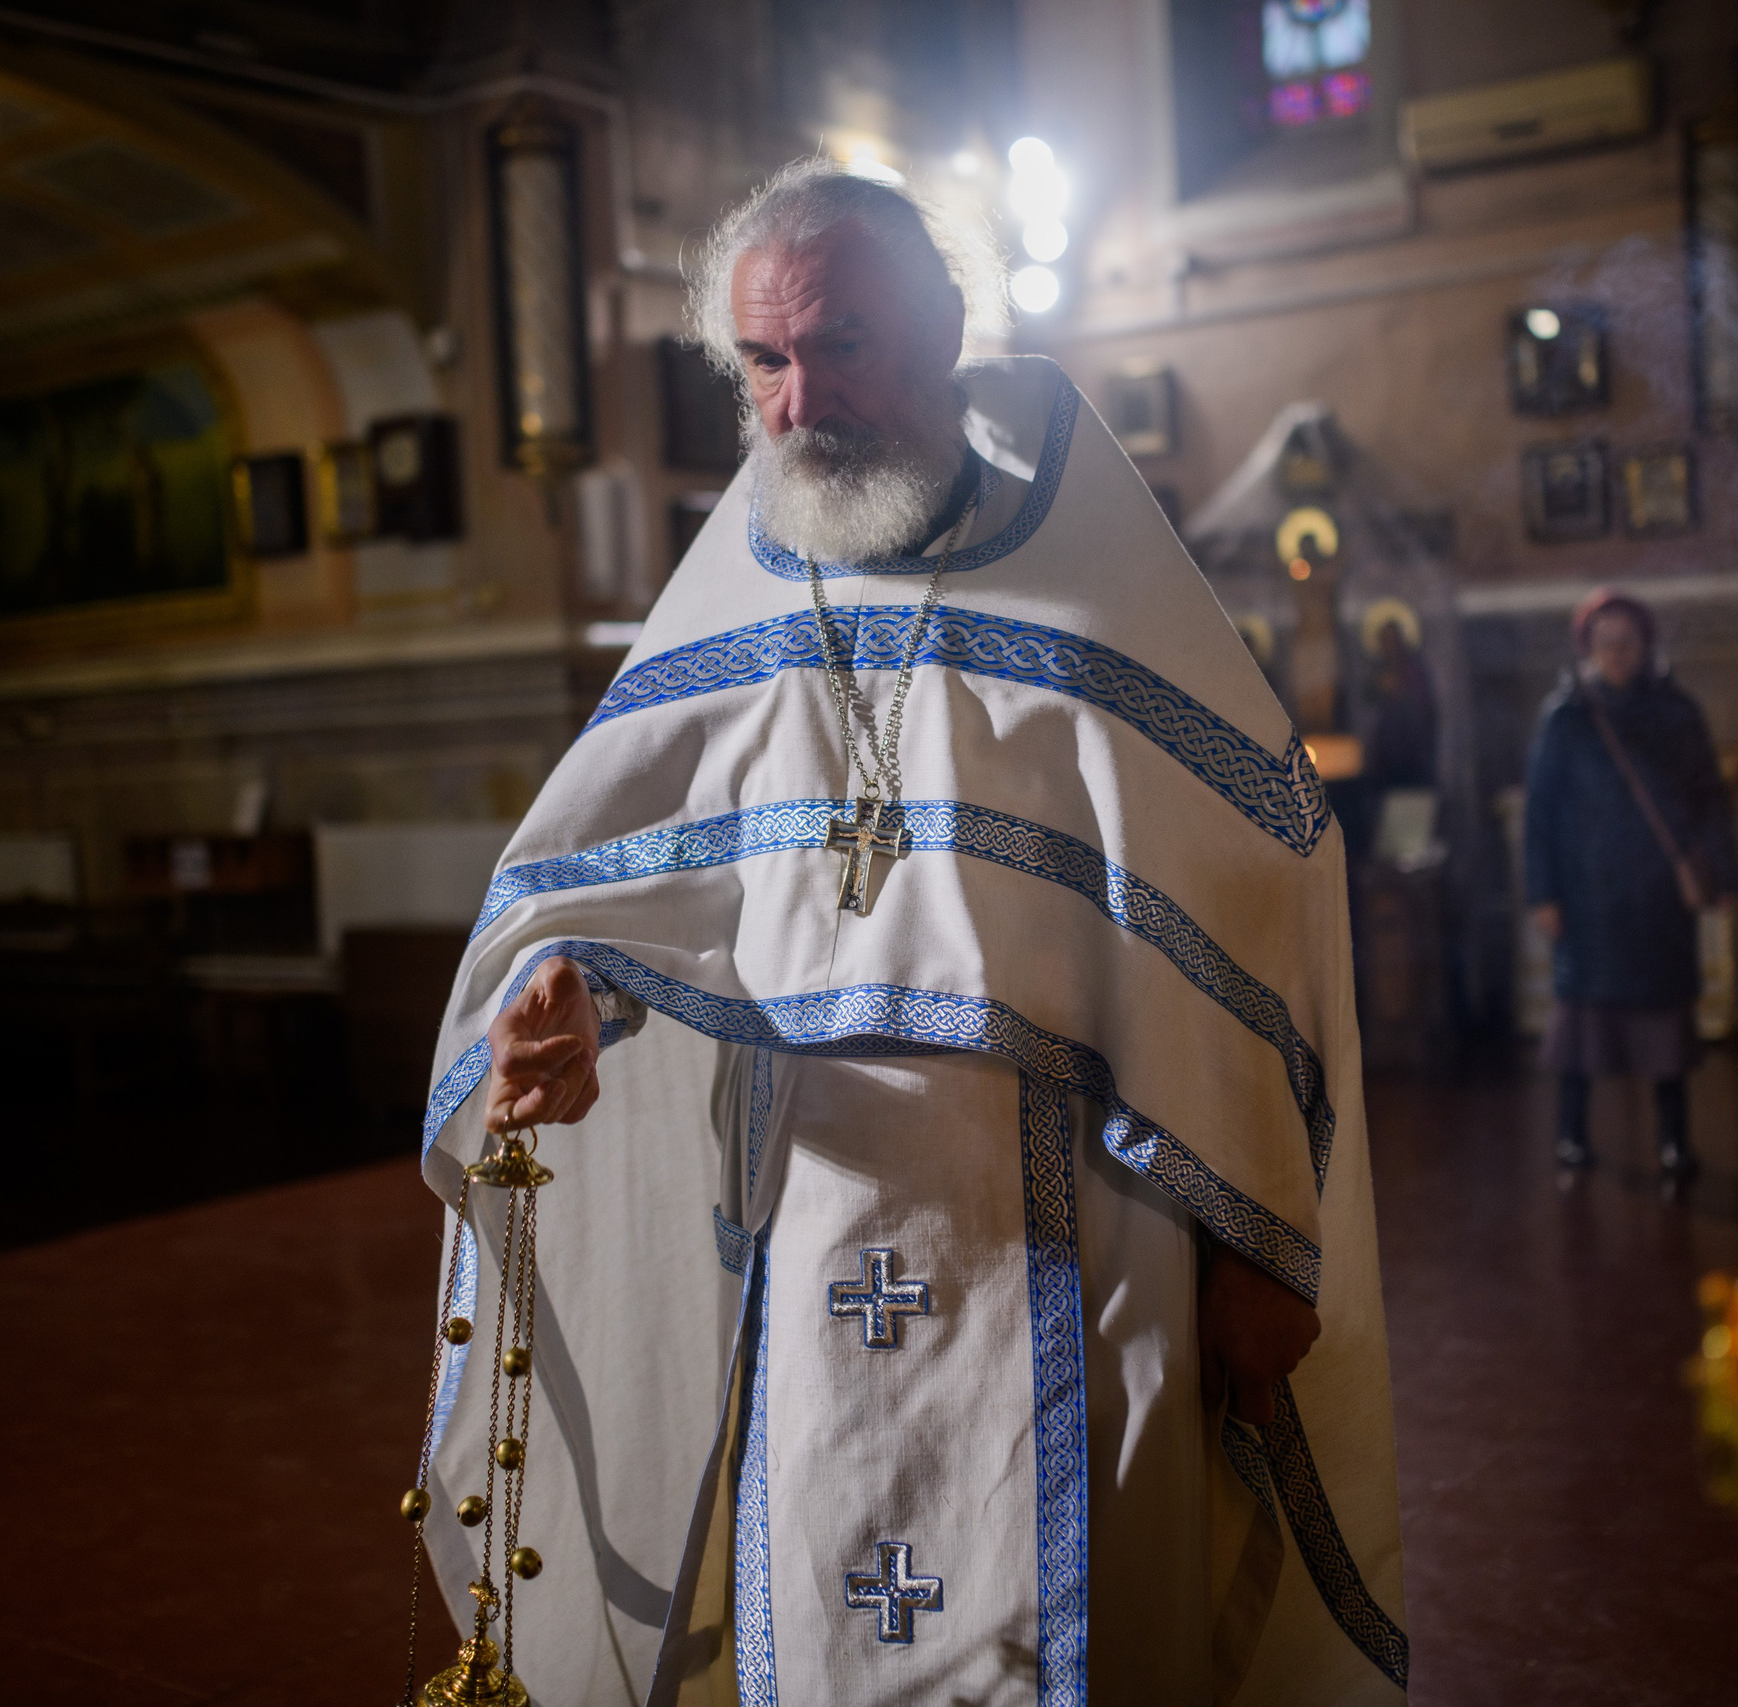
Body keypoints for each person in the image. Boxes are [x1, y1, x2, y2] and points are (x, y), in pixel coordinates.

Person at [411, 161, 1406, 1705]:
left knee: (1085, 1623)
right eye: (765, 362)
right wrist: (553, 995)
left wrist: (1263, 1232)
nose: (803, 399)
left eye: (844, 342)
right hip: (812, 1214)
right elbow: (592, 882)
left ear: (944, 327)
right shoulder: (729, 606)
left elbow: (1258, 905)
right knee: (818, 1595)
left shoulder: (1100, 598)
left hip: (1083, 1224)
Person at [1522, 591, 1738, 1187]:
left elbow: (1710, 801)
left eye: (1628, 642)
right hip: (1588, 900)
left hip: (1656, 903)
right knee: (1580, 1031)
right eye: (1606, 642)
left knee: (1666, 1031)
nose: (1618, 653)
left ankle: (1674, 1143)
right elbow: (1540, 812)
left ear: (1646, 647)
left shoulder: (1678, 713)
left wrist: (1724, 877)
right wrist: (1543, 894)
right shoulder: (1564, 718)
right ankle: (1572, 1138)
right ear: (1588, 649)